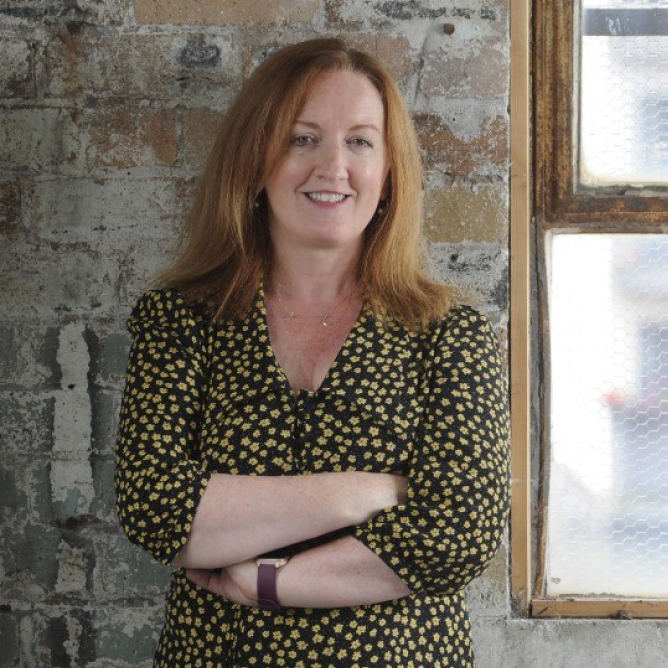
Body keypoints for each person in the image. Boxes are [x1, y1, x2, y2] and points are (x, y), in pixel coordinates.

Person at [115, 37, 510, 668]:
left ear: (389, 174)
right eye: (303, 138)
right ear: (255, 159)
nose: (333, 167)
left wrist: (269, 582)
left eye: (360, 142)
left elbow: (460, 533)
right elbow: (157, 509)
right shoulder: (182, 320)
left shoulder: (447, 333)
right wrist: (361, 492)